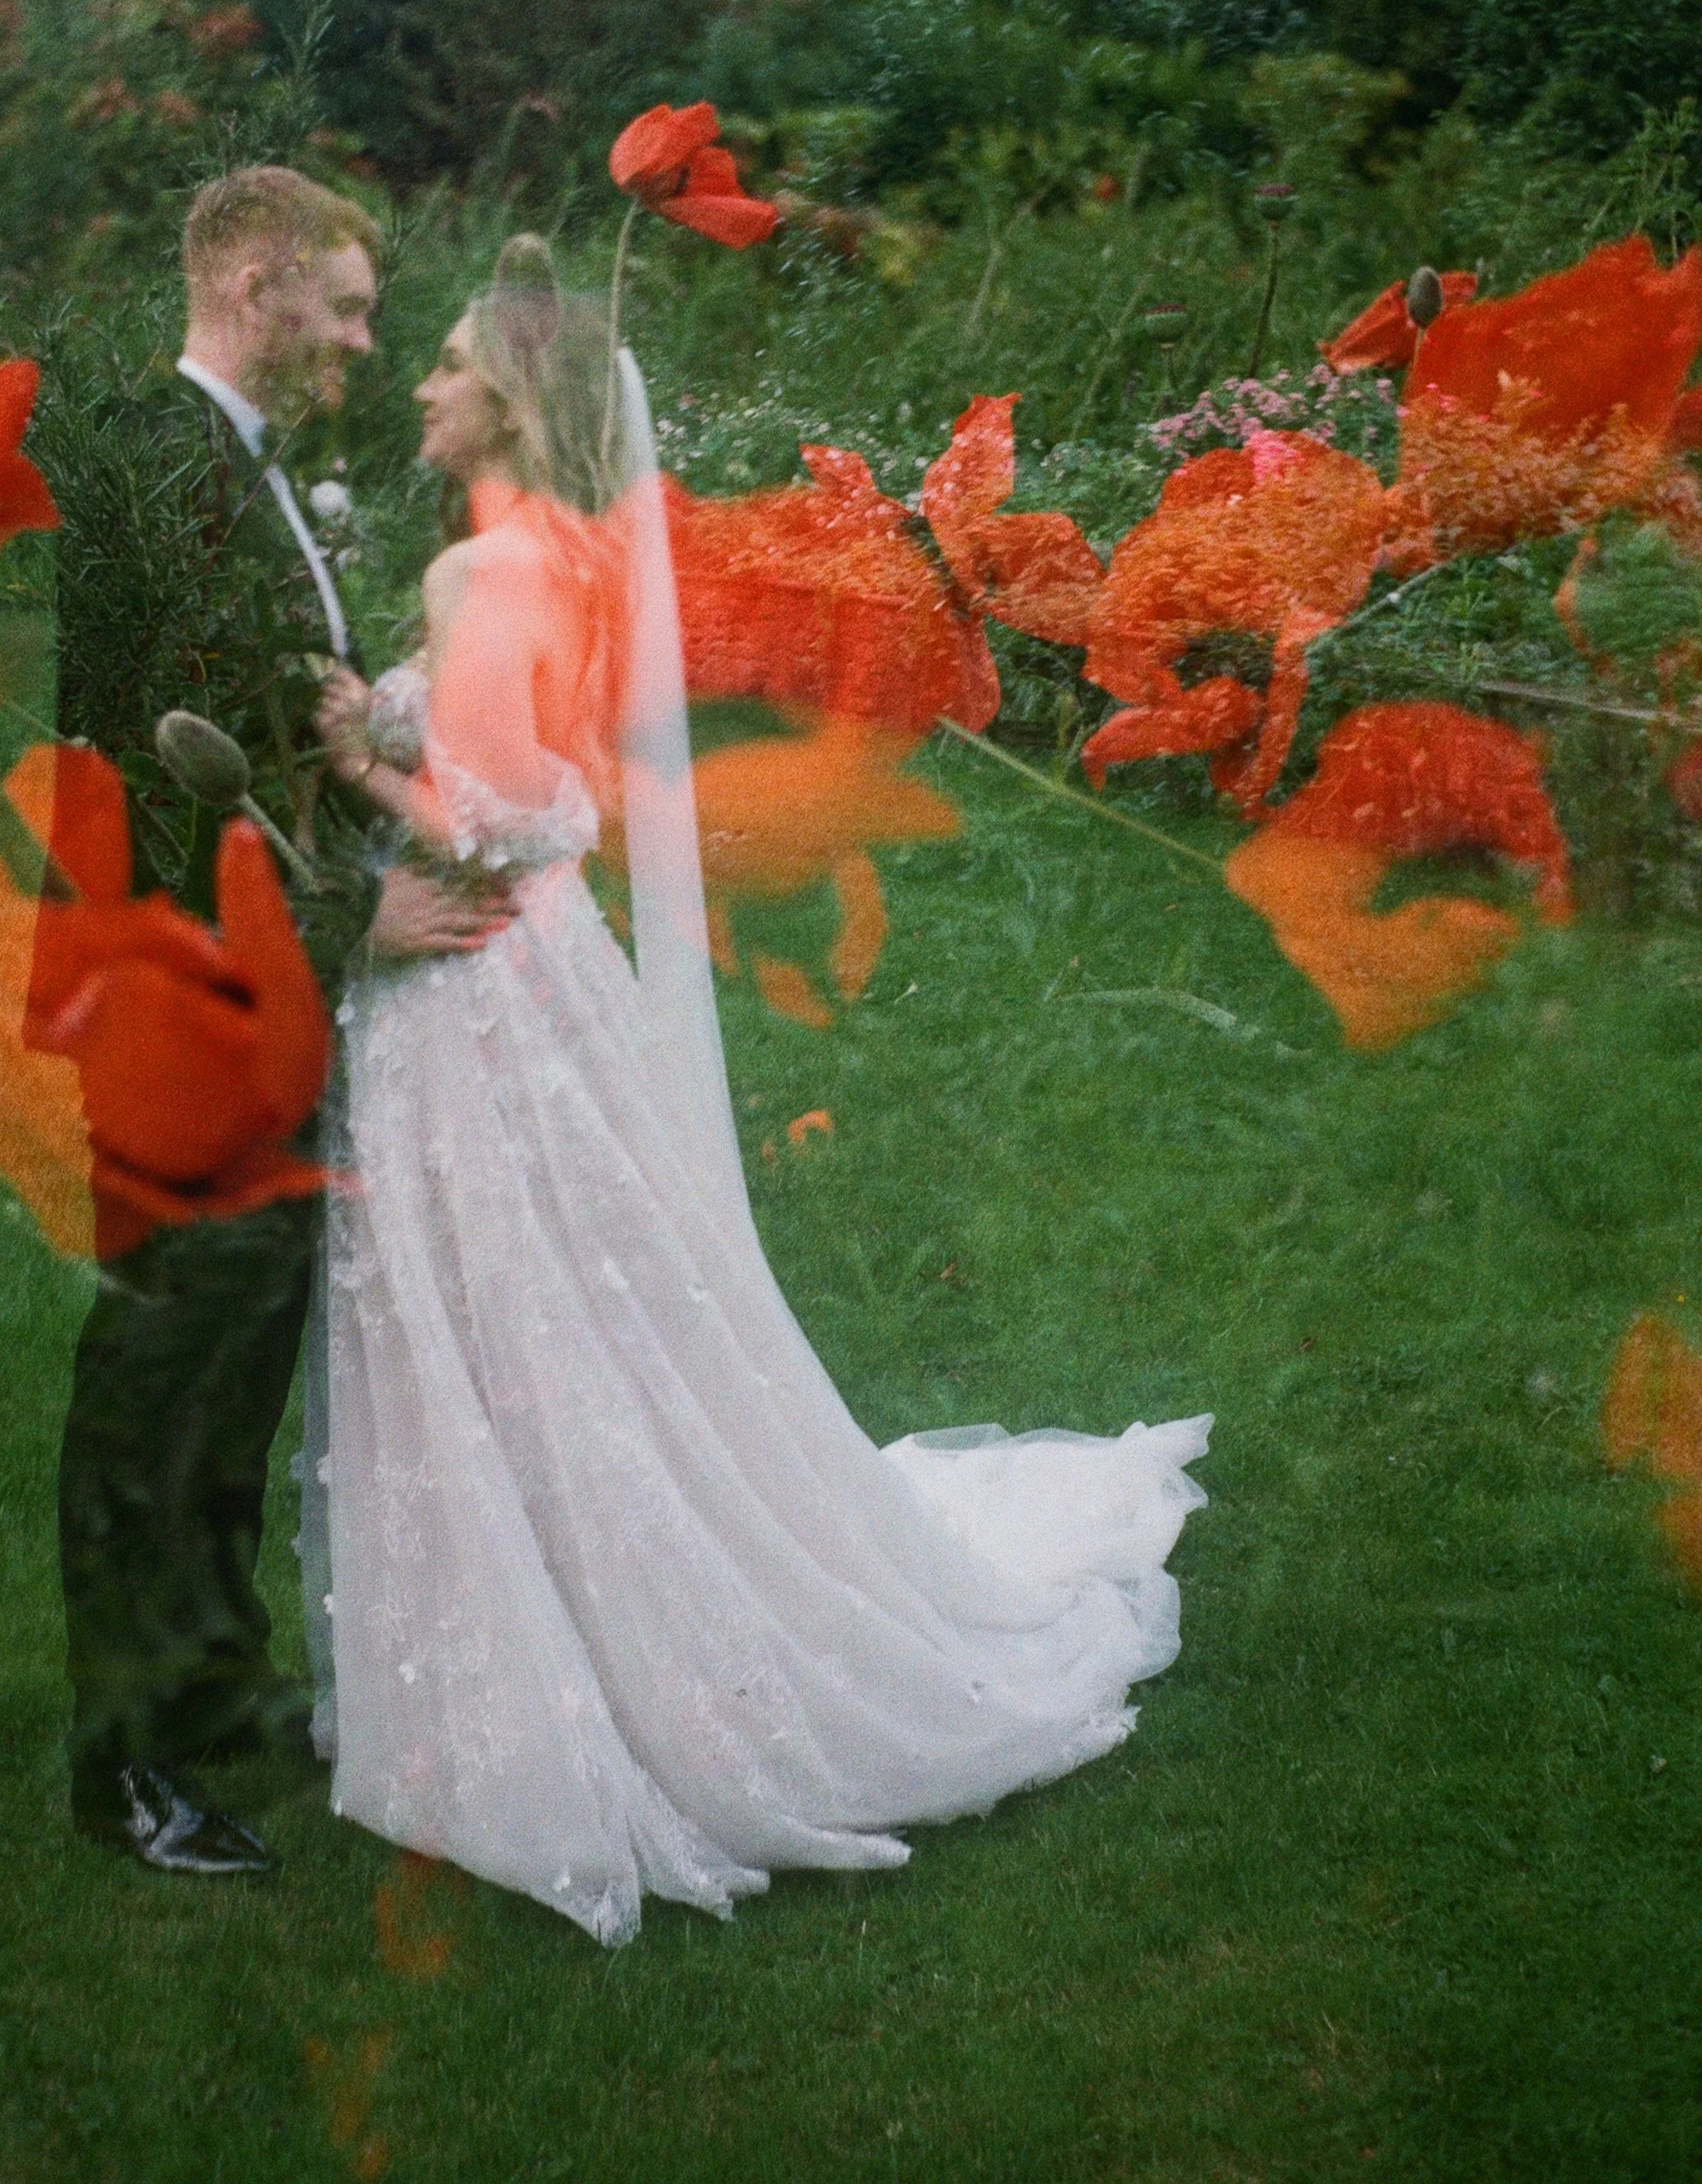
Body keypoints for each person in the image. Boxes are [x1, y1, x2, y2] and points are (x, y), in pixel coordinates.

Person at [309, 241, 1211, 1944]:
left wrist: (349, 751)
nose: (415, 385)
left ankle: (585, 1658)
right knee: (582, 1300)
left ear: (500, 399)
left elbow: (497, 815)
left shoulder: (471, 575)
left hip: (478, 975)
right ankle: (560, 1617)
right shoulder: (558, 556)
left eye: (440, 364)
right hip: (545, 966)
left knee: (505, 1307)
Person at [44, 165, 514, 1876]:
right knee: (160, 1375)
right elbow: (128, 782)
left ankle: (212, 1680)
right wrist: (349, 913)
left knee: (238, 1347)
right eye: (341, 303)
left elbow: (255, 730)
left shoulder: (239, 470)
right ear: (251, 279)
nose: (361, 339)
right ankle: (123, 1761)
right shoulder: (155, 467)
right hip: (170, 992)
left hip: (258, 988)